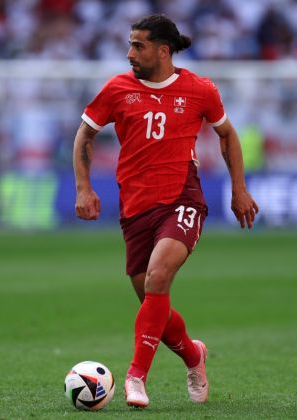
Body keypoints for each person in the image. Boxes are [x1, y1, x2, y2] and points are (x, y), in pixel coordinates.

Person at [73, 14, 259, 409]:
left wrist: (239, 189)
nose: (129, 54)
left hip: (183, 199)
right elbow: (85, 134)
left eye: (138, 45)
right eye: (129, 44)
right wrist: (83, 187)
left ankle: (135, 377)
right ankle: (194, 356)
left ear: (163, 50)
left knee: (159, 276)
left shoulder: (199, 89)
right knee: (153, 303)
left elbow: (227, 134)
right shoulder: (117, 89)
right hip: (135, 208)